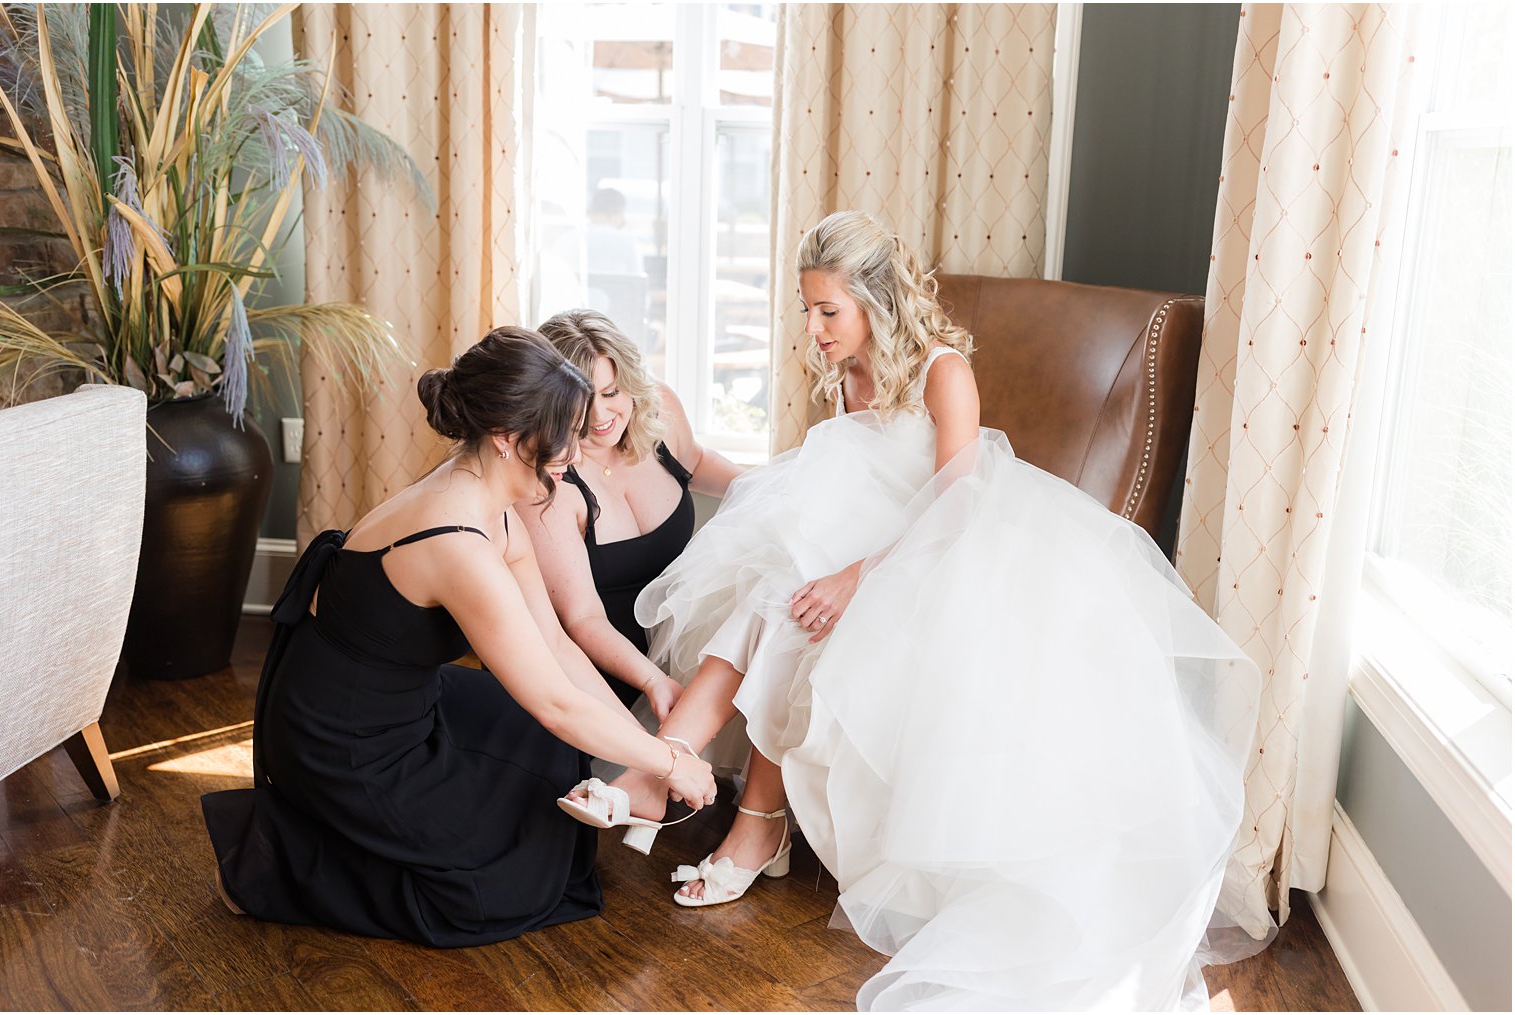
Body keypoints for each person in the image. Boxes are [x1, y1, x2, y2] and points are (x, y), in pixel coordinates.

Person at [560, 212, 1273, 1009]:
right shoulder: (845, 375)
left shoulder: (943, 370)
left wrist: (852, 578)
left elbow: (954, 505)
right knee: (777, 591)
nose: (814, 327)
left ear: (874, 298)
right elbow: (850, 483)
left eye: (828, 310)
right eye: (807, 309)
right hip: (876, 543)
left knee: (787, 601)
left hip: (954, 554)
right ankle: (714, 800)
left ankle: (693, 792)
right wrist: (826, 561)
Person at [200, 326, 715, 947]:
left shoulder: (493, 495)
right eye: (562, 439)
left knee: (555, 773)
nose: (574, 456)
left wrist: (651, 752)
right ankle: (276, 861)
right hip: (342, 740)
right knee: (503, 884)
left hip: (403, 696)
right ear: (506, 439)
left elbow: (555, 647)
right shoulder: (455, 540)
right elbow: (554, 701)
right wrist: (668, 760)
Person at [519, 309, 743, 724]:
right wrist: (653, 681)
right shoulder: (545, 484)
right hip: (604, 678)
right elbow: (581, 619)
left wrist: (776, 486)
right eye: (581, 402)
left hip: (679, 646)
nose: (601, 417)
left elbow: (694, 461)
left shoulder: (659, 411)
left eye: (611, 393)